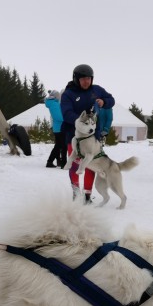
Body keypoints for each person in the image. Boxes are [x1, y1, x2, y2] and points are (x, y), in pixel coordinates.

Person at [59, 64, 115, 202]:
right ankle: (76, 192)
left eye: (89, 78)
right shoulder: (68, 94)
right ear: (76, 79)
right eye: (83, 79)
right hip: (74, 135)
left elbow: (111, 100)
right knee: (75, 163)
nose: (86, 82)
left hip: (93, 136)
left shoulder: (97, 90)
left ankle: (87, 195)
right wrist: (81, 122)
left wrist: (104, 102)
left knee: (91, 164)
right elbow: (67, 114)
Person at [44, 89, 66, 168]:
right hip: (60, 128)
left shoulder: (53, 103)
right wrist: (67, 119)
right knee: (63, 146)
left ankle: (50, 162)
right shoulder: (54, 104)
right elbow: (58, 117)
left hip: (58, 128)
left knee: (58, 146)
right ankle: (63, 163)